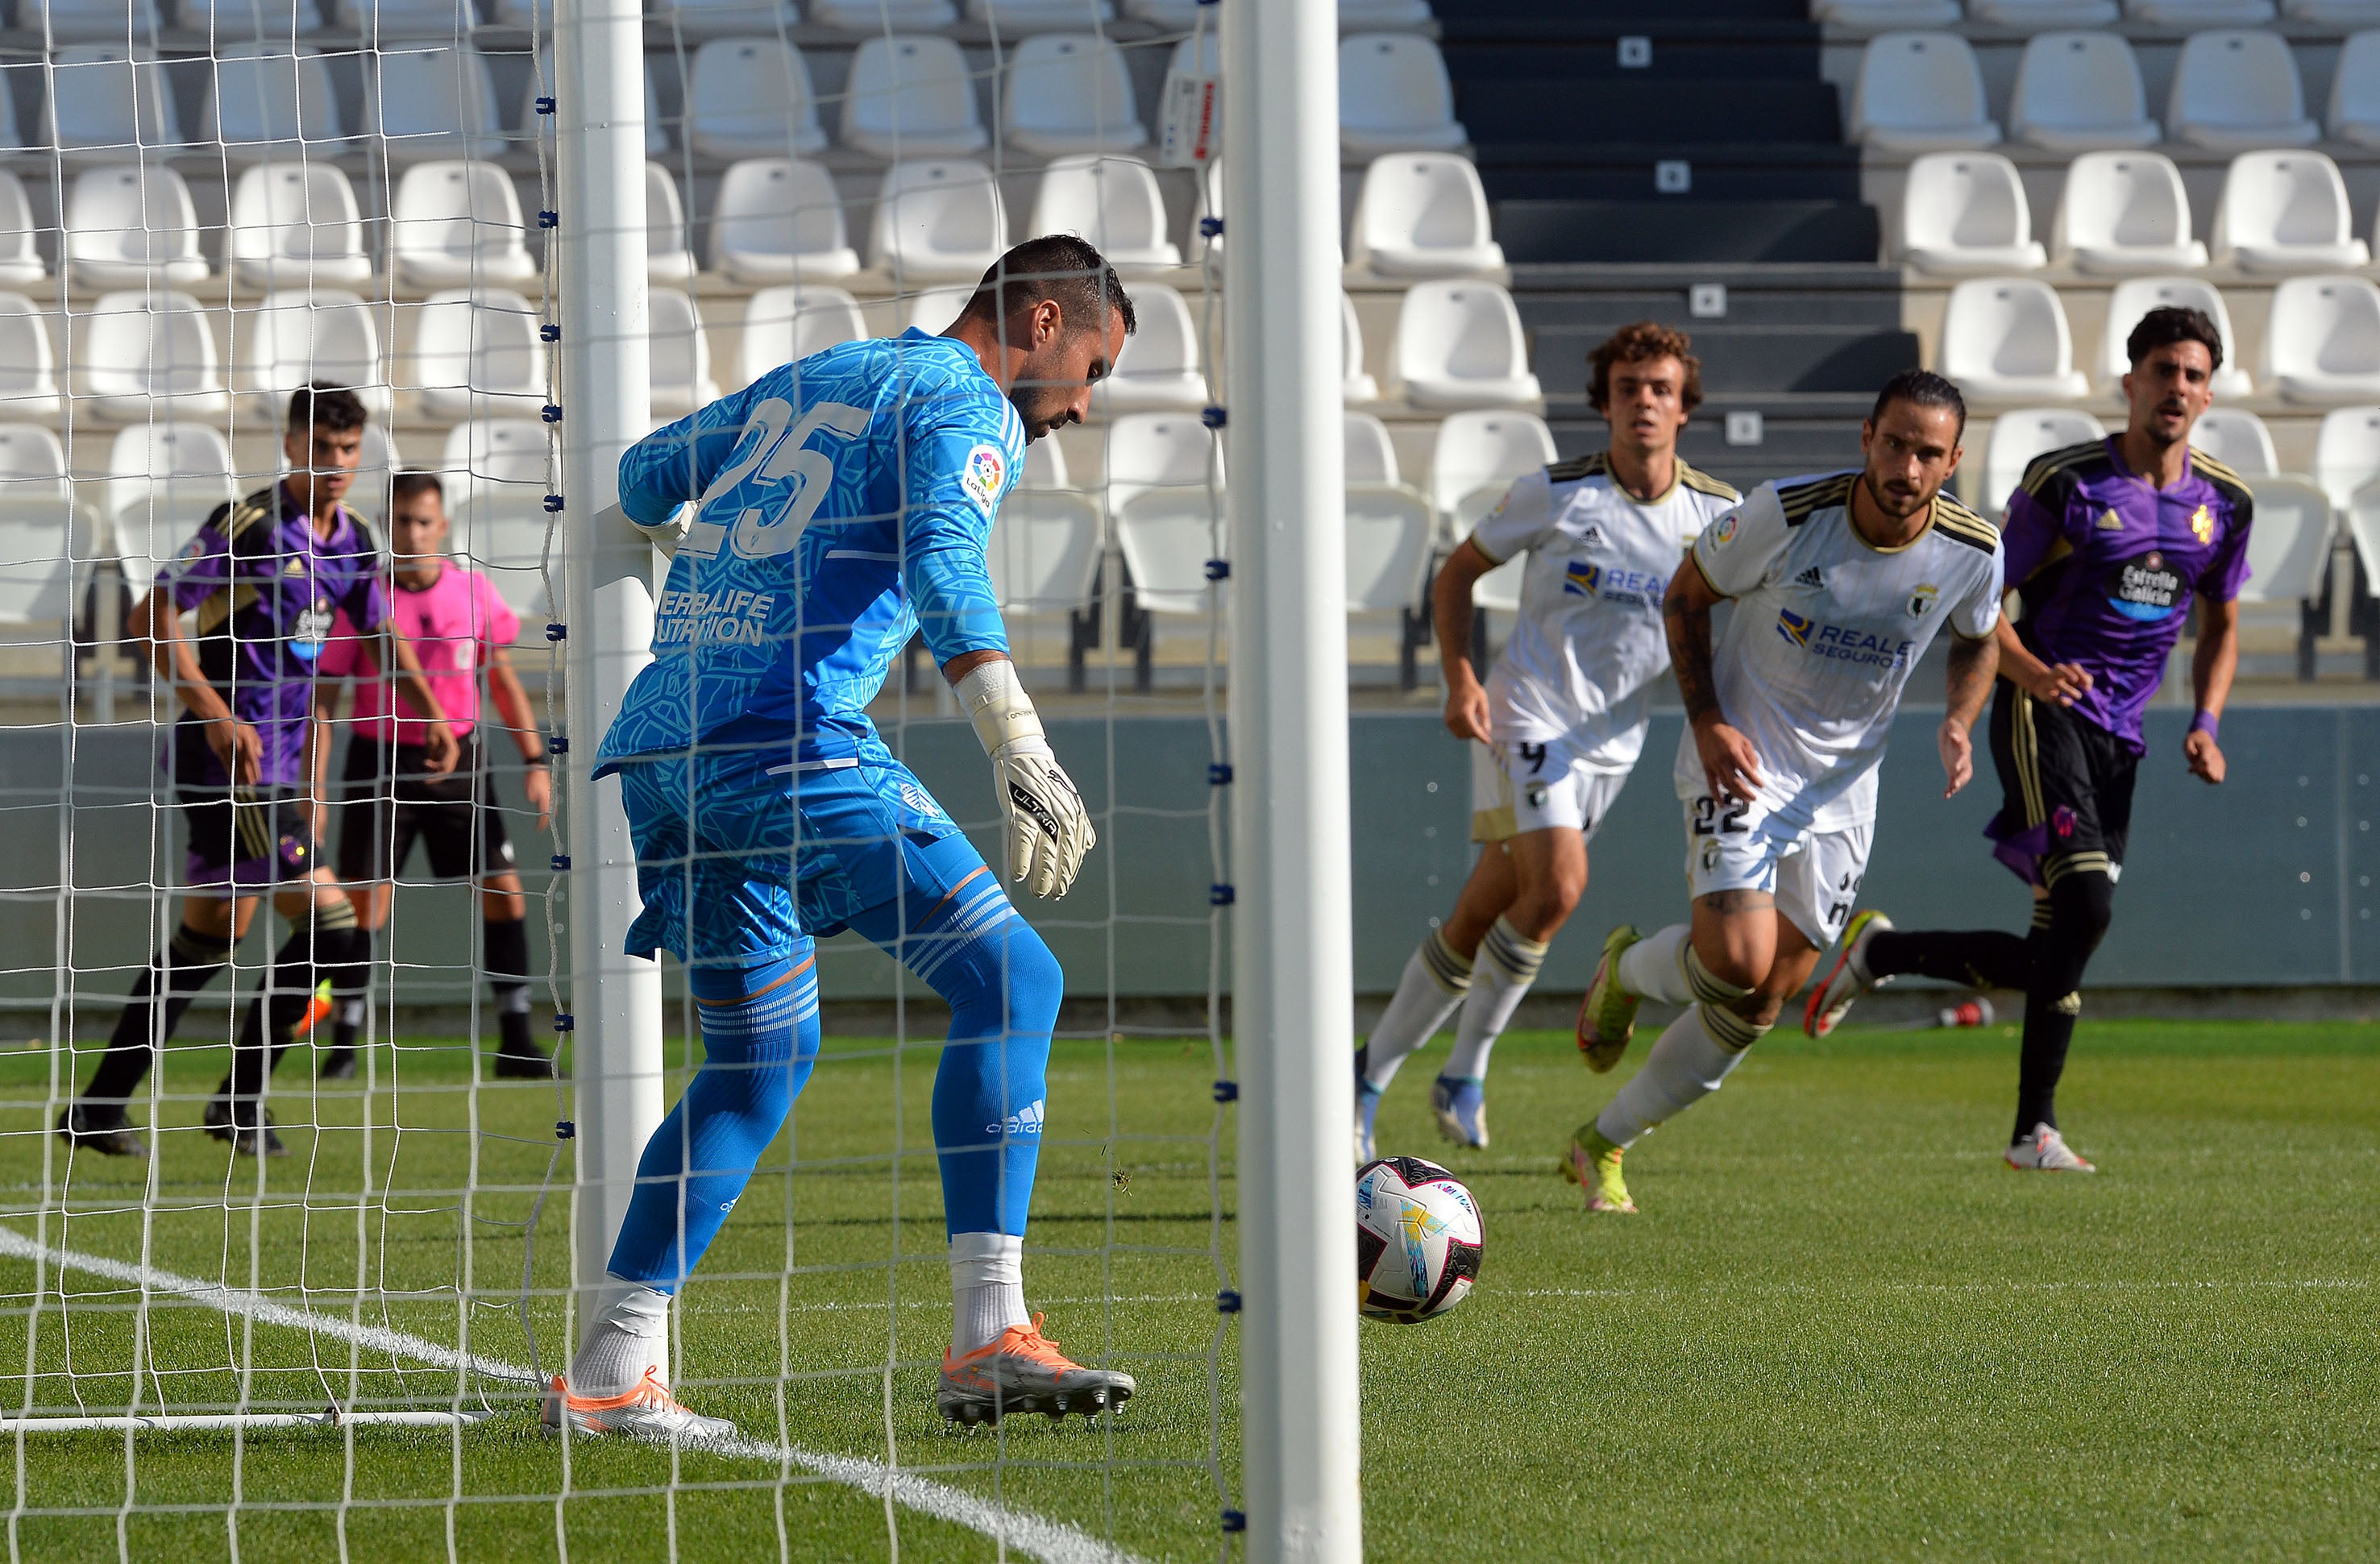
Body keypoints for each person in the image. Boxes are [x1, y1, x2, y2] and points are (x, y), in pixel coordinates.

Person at [542, 235, 1136, 1442]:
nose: (1081, 403)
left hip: (662, 747)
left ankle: (611, 1370)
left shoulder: (827, 373)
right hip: (785, 742)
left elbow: (652, 472)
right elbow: (943, 559)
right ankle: (988, 1335)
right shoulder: (970, 404)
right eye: (1090, 366)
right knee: (1015, 976)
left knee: (758, 1062)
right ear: (1037, 323)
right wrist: (1014, 737)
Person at [1801, 308, 2250, 1172]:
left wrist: (2205, 722)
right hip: (2039, 706)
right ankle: (2002, 1092)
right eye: (2162, 370)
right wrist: (2026, 675)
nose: (2177, 388)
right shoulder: (2067, 482)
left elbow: (2223, 621)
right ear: (2130, 381)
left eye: (2193, 375)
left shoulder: (2224, 503)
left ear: (2206, 392)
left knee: (2061, 939)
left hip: (2125, 735)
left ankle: (2013, 1112)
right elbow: (1981, 600)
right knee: (2085, 907)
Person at [1567, 369, 2004, 1214]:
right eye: (1893, 443)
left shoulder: (1972, 551)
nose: (1905, 467)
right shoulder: (1786, 514)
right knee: (1733, 964)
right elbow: (1686, 595)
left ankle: (1603, 1141)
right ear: (1864, 437)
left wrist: (1959, 716)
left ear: (1951, 462)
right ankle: (1625, 968)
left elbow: (1981, 637)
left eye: (1927, 453)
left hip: (1844, 790)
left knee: (1764, 1001)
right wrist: (1705, 721)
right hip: (1744, 758)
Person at [1353, 323, 1738, 1158]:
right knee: (1560, 887)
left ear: (1683, 408)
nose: (1643, 400)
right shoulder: (1556, 491)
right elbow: (1454, 574)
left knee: (1486, 908)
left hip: (1612, 744)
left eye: (1660, 388)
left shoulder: (1715, 515)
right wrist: (1459, 677)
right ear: (1604, 402)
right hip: (1526, 715)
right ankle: (1465, 1069)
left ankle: (1369, 1072)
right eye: (1628, 386)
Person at [60, 384, 458, 1159]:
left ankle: (99, 1105)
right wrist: (214, 709)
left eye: (347, 452)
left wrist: (428, 709)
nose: (334, 465)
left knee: (210, 938)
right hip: (228, 765)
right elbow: (150, 617)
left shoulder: (354, 542)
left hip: (273, 769)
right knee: (335, 925)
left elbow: (378, 635)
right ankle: (240, 1101)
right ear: (289, 444)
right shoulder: (246, 526)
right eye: (320, 448)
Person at [314, 471, 557, 1082]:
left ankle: (516, 1036)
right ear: (386, 525)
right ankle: (344, 1040)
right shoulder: (364, 600)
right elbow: (325, 695)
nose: (412, 532)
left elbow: (500, 678)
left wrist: (534, 761)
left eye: (423, 521)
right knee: (365, 901)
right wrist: (312, 787)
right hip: (379, 760)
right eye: (400, 521)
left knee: (504, 890)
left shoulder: (473, 592)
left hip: (464, 761)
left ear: (442, 526)